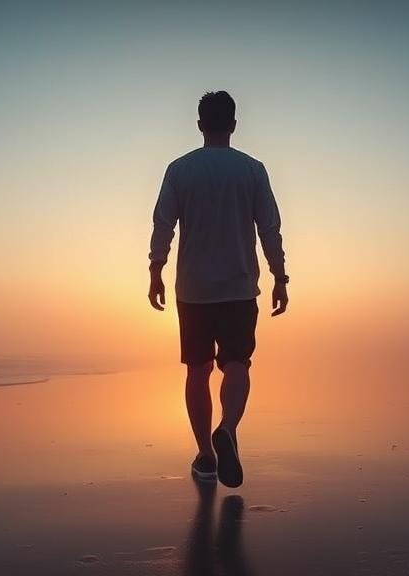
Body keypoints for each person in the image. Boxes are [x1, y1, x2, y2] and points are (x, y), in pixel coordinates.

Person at [147, 91, 288, 488]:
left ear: (199, 125)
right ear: (234, 124)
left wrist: (156, 268)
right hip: (239, 285)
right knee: (237, 363)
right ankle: (227, 428)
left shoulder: (179, 170)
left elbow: (163, 224)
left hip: (193, 288)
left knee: (198, 368)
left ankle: (206, 457)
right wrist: (280, 276)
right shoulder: (252, 170)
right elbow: (269, 229)